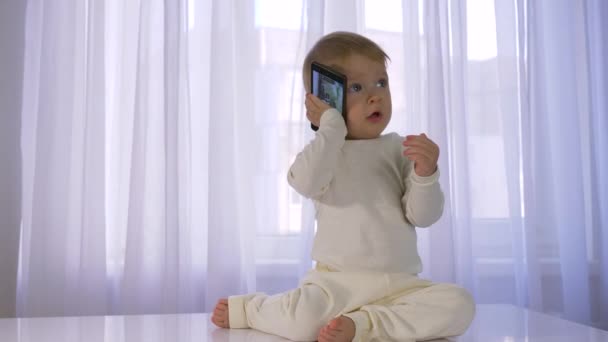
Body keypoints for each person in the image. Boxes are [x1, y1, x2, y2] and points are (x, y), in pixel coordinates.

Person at [211, 31, 475, 342]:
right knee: (303, 322)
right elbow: (305, 182)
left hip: (400, 285)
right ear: (325, 101)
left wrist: (426, 173)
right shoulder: (325, 152)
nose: (375, 96)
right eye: (357, 88)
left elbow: (423, 216)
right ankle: (253, 309)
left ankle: (365, 324)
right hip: (335, 286)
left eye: (381, 83)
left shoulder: (400, 149)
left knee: (460, 304)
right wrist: (331, 126)